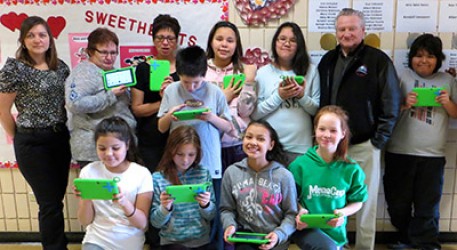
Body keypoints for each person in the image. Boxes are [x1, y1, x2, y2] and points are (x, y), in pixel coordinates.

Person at [318, 8, 401, 249]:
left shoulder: (378, 60)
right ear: (336, 32)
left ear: (363, 31)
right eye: (342, 29)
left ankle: (365, 247)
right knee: (332, 199)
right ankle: (335, 245)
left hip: (366, 144)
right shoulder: (328, 60)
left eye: (352, 28)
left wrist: (379, 140)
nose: (347, 33)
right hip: (332, 146)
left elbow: (391, 102)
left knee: (365, 204)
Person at [0, 16, 71, 250]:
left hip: (60, 139)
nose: (37, 40)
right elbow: (3, 108)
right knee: (49, 203)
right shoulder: (15, 68)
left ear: (50, 39)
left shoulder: (61, 68)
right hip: (32, 143)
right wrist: (21, 136)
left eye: (42, 34)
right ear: (22, 40)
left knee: (55, 202)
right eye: (30, 35)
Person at [383, 34, 457, 250]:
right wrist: (404, 104)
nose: (423, 60)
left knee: (427, 205)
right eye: (418, 56)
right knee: (398, 203)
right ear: (411, 58)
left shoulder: (448, 81)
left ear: (439, 59)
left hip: (432, 156)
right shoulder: (401, 76)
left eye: (430, 56)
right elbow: (386, 111)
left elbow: (456, 113)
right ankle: (406, 239)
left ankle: (426, 244)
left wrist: (447, 102)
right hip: (399, 152)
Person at [205, 20, 258, 249]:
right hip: (208, 146)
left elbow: (247, 110)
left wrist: (248, 81)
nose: (224, 44)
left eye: (230, 40)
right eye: (219, 39)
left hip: (237, 145)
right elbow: (198, 108)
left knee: (239, 200)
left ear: (237, 45)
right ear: (211, 42)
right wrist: (223, 98)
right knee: (214, 202)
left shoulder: (243, 71)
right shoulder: (201, 69)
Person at [289, 105, 368, 249]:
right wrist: (300, 210)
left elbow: (358, 201)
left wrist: (343, 213)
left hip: (336, 232)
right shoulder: (300, 165)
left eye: (333, 130)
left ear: (343, 133)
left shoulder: (351, 169)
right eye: (322, 129)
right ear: (315, 130)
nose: (326, 135)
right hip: (307, 228)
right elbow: (290, 198)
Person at [75, 116, 153, 250]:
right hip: (96, 239)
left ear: (127, 145)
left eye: (115, 148)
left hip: (128, 241)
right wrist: (86, 197)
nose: (109, 154)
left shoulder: (141, 174)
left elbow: (142, 224)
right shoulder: (89, 171)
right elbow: (84, 221)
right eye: (102, 148)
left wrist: (124, 203)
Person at [157, 45, 232, 179]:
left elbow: (228, 127)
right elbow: (161, 128)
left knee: (208, 199)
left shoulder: (215, 92)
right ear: (178, 74)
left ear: (204, 74)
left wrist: (211, 117)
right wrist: (169, 116)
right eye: (185, 82)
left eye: (196, 83)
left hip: (208, 160)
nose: (191, 88)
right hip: (179, 162)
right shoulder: (171, 90)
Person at [220, 120, 297, 250]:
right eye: (249, 137)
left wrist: (278, 235)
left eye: (260, 139)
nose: (253, 142)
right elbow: (226, 209)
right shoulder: (231, 172)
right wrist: (229, 225)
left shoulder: (284, 176)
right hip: (245, 238)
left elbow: (292, 214)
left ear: (271, 145)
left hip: (275, 241)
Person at [65, 27, 136, 168]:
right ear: (90, 51)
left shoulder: (113, 71)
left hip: (118, 146)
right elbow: (75, 104)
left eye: (113, 52)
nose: (109, 57)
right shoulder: (84, 72)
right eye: (104, 52)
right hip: (94, 150)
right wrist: (110, 95)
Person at [251, 22, 320, 164]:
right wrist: (279, 96)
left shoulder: (311, 71)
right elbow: (255, 114)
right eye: (282, 39)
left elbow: (316, 111)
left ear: (299, 46)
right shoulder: (263, 73)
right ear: (275, 42)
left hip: (301, 148)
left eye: (293, 40)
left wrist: (301, 96)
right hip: (270, 147)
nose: (287, 43)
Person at [150, 125, 216, 249]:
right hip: (171, 242)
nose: (185, 160)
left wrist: (205, 205)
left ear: (198, 153)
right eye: (180, 154)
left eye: (191, 154)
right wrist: (165, 208)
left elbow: (211, 215)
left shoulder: (203, 173)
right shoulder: (158, 178)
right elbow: (155, 223)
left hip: (201, 241)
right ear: (171, 151)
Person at [132, 14, 181, 172]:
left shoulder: (184, 69)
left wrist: (175, 93)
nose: (165, 43)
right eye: (160, 38)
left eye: (170, 38)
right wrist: (163, 102)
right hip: (150, 141)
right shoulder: (143, 69)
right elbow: (137, 109)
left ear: (177, 41)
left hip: (179, 138)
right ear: (153, 40)